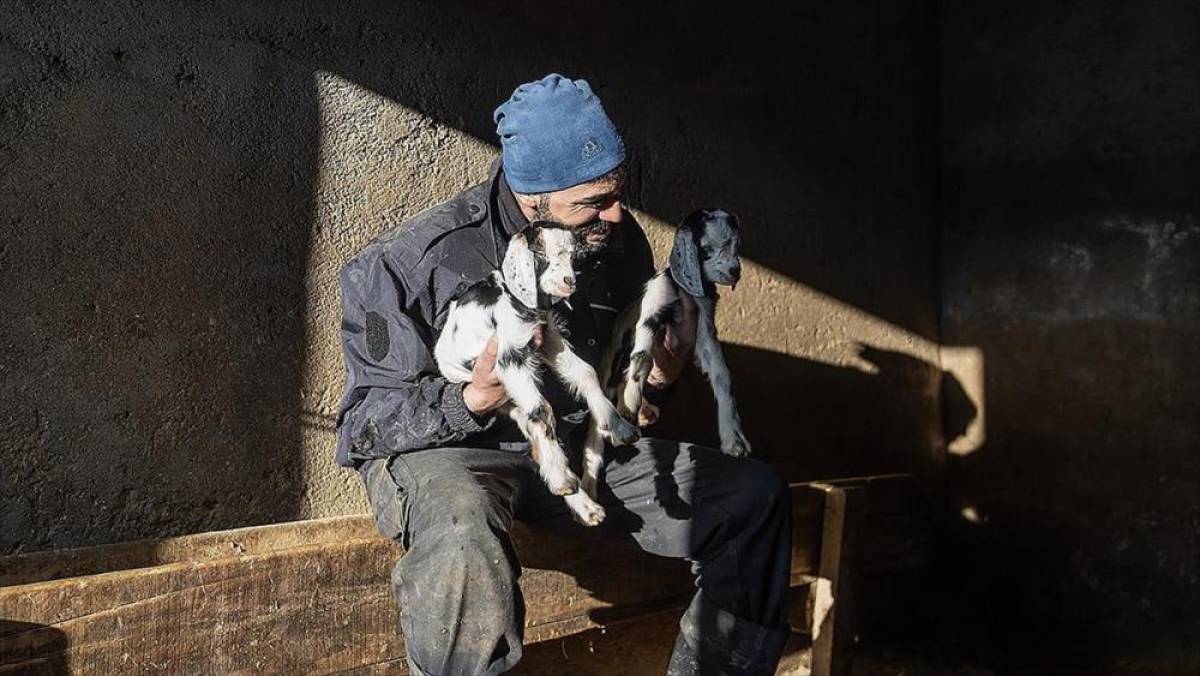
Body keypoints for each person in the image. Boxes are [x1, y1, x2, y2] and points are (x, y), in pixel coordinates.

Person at [335, 73, 792, 675]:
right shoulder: (408, 262)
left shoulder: (616, 241)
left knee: (753, 499)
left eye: (618, 191)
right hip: (458, 456)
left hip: (575, 449)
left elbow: (621, 402)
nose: (617, 213)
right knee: (459, 526)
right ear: (533, 200)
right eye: (592, 203)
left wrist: (661, 373)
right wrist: (472, 398)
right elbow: (362, 427)